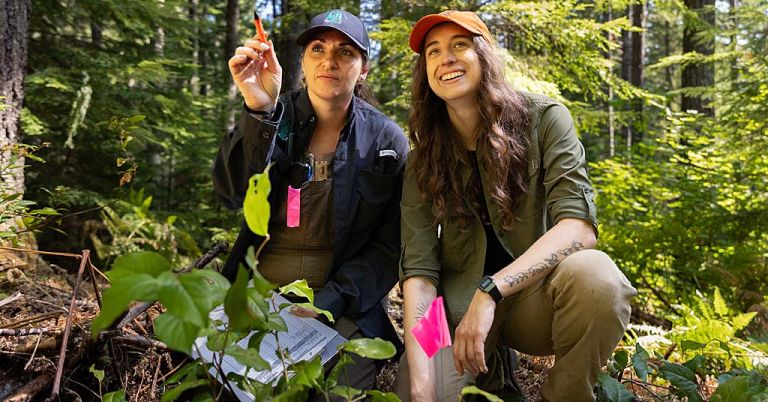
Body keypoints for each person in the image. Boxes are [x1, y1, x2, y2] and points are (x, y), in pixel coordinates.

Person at [396, 10, 637, 402]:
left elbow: (578, 227)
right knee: (416, 388)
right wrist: (423, 379)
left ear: (484, 57)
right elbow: (420, 273)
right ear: (426, 72)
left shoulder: (544, 120)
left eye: (460, 46)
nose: (447, 59)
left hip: (535, 296)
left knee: (599, 279)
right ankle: (492, 381)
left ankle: (560, 396)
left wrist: (491, 291)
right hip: (452, 308)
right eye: (433, 52)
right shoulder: (421, 160)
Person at [213, 8, 409, 394]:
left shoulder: (386, 141)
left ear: (364, 68)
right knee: (227, 385)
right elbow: (231, 192)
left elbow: (389, 246)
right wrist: (258, 108)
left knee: (338, 390)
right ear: (303, 61)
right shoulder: (274, 113)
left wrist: (327, 303)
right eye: (317, 49)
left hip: (344, 303)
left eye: (346, 53)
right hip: (258, 295)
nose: (329, 62)